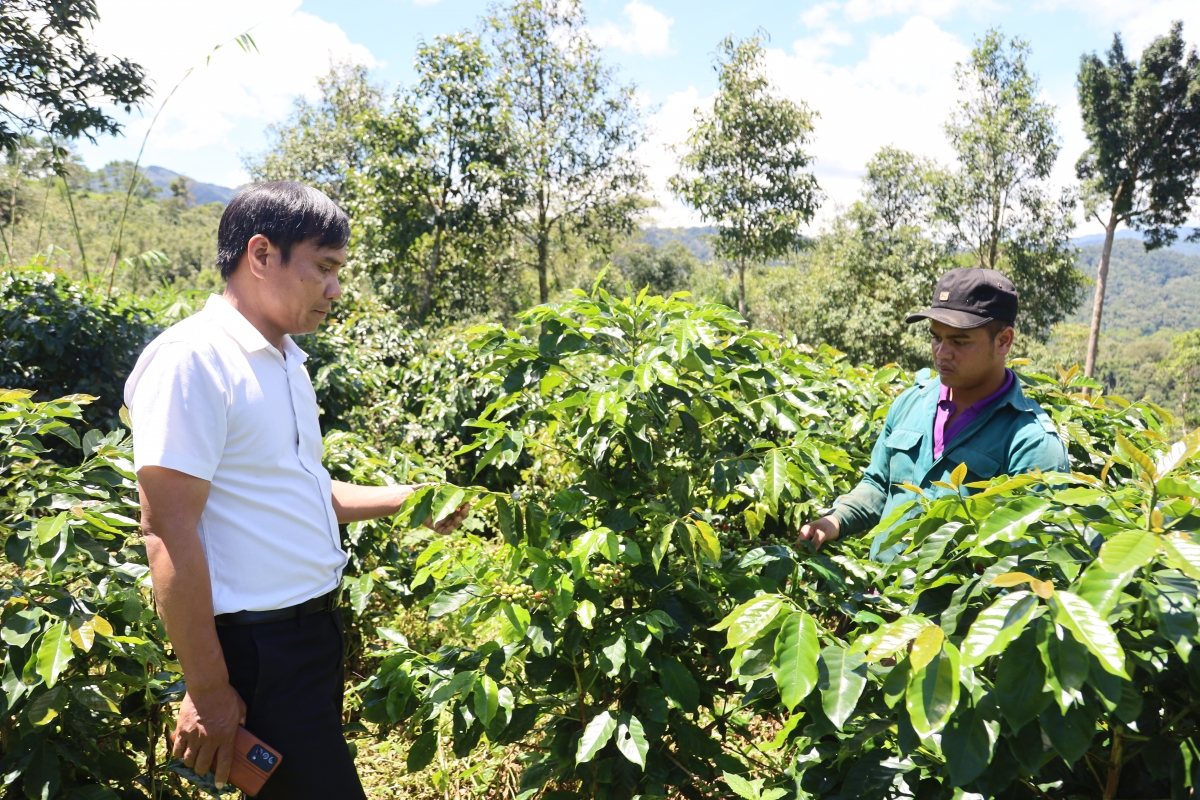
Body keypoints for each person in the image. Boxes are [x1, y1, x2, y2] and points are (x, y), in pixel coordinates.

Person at [124, 182, 469, 798]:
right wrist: (207, 691)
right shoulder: (193, 359)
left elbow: (299, 492)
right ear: (261, 255)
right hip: (259, 648)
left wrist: (410, 499)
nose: (336, 289)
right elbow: (167, 528)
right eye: (325, 267)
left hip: (311, 636)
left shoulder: (283, 360)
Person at [797, 267, 1068, 560]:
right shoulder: (911, 403)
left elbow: (1032, 555)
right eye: (936, 337)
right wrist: (834, 521)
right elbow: (878, 483)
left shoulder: (1032, 443)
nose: (942, 352)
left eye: (959, 341)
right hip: (876, 596)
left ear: (1004, 341)